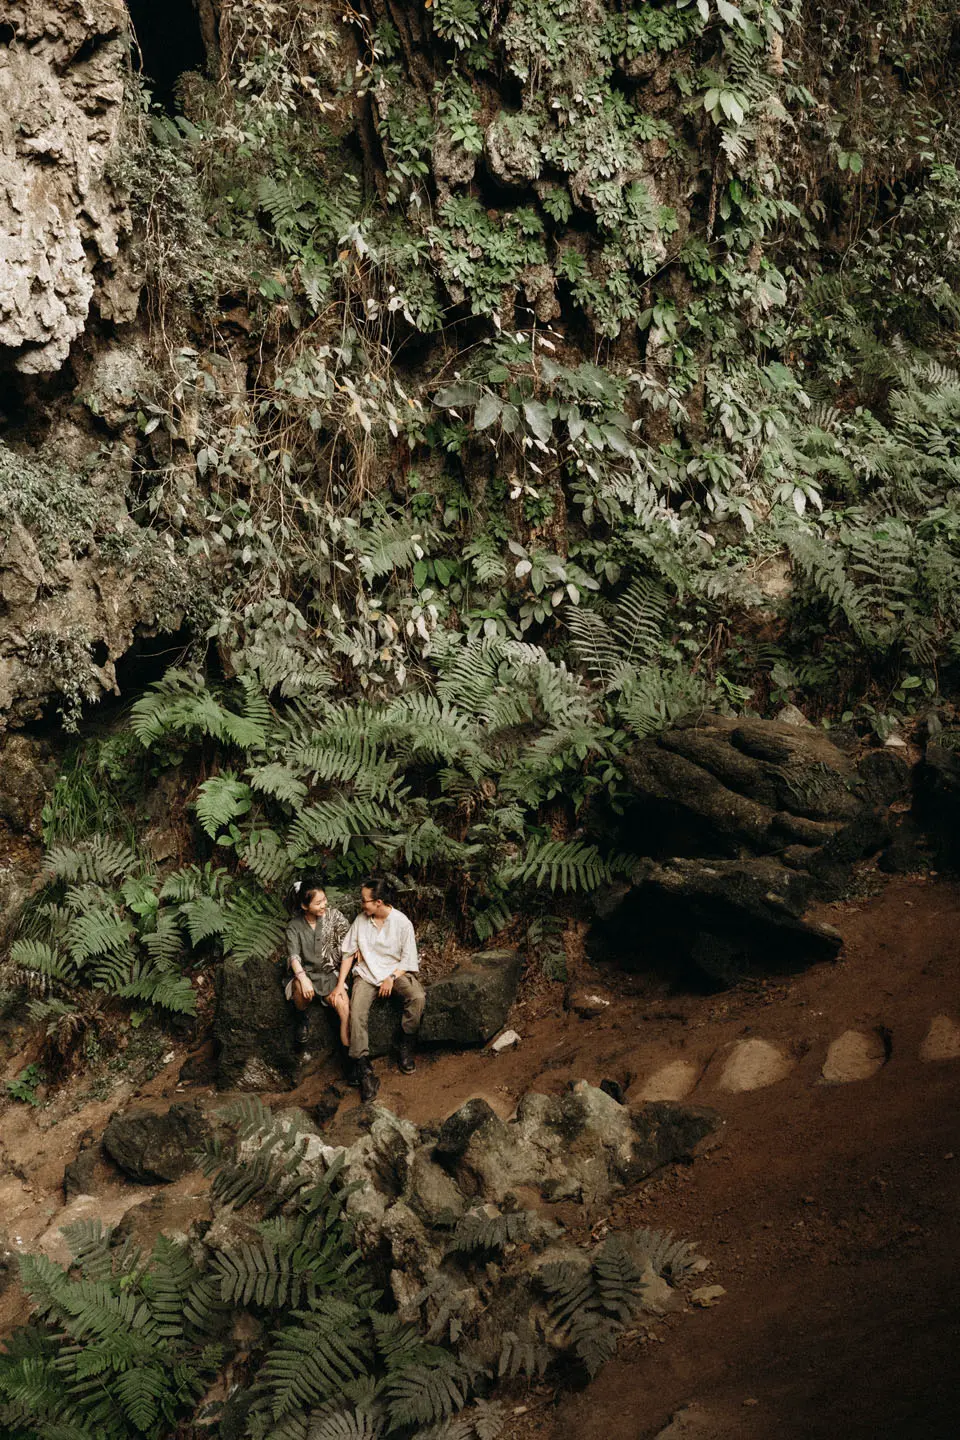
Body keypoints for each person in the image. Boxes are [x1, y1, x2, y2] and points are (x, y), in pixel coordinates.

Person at [332, 877, 425, 1103]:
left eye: (365, 900)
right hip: (366, 973)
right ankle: (364, 1069)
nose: (361, 904)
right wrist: (340, 984)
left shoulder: (402, 923)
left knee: (418, 997)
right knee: (356, 1013)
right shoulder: (361, 921)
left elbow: (408, 959)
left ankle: (405, 1043)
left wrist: (391, 978)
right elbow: (348, 953)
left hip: (395, 972)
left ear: (379, 902)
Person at [285, 878, 351, 1057]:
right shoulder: (294, 926)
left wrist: (357, 950)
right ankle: (301, 1017)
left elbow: (350, 941)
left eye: (324, 900)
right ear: (304, 906)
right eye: (318, 903)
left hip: (329, 975)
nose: (324, 905)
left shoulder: (334, 916)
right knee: (301, 989)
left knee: (345, 1009)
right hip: (306, 975)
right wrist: (303, 978)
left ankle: (352, 1059)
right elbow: (294, 956)